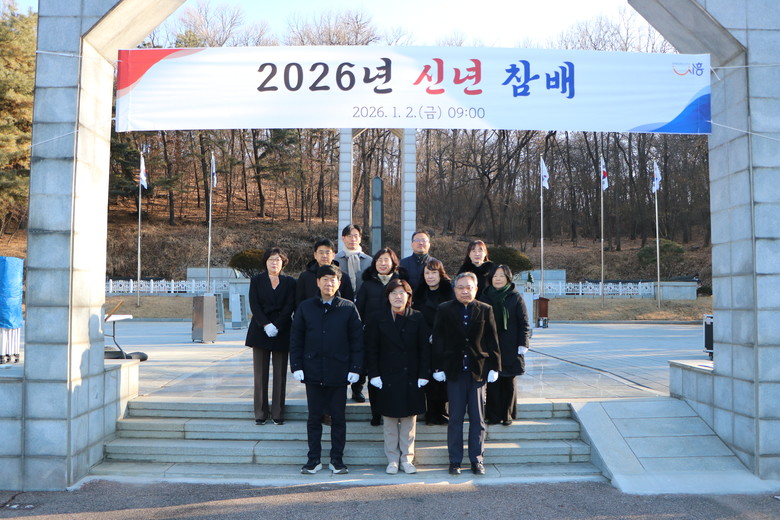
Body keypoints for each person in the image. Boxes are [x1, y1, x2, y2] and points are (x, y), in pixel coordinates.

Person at [289, 264, 363, 475]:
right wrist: (296, 365)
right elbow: (296, 339)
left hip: (339, 370)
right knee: (314, 418)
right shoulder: (305, 307)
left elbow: (357, 341)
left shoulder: (348, 307)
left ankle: (336, 459)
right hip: (312, 369)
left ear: (339, 283)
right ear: (317, 282)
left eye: (333, 280)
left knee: (338, 418)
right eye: (325, 279)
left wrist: (356, 368)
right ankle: (313, 459)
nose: (329, 283)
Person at [432, 271, 501, 476]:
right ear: (455, 289)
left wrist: (495, 367)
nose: (464, 291)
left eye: (468, 287)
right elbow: (438, 340)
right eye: (460, 287)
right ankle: (454, 461)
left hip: (478, 371)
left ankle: (477, 460)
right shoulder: (444, 309)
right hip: (454, 371)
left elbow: (492, 340)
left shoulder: (485, 309)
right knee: (455, 419)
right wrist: (437, 367)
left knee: (478, 419)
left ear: (476, 289)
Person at [365, 279, 430, 475]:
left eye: (402, 293)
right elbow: (371, 349)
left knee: (409, 421)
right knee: (390, 421)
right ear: (388, 296)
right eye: (393, 293)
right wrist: (373, 374)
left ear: (408, 296)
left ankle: (407, 459)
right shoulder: (378, 318)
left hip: (411, 375)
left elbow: (425, 349)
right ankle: (392, 459)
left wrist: (424, 374)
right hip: (387, 376)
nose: (398, 296)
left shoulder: (417, 317)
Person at [244, 247, 297, 426]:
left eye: (277, 260)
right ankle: (260, 412)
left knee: (280, 374)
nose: (274, 263)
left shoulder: (290, 282)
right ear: (265, 262)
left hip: (282, 330)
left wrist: (278, 325)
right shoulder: (256, 280)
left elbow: (290, 305)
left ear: (283, 262)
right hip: (260, 329)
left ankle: (277, 412)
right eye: (271, 259)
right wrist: (266, 324)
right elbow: (254, 304)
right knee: (260, 374)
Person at [356, 247, 405, 425]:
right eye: (379, 260)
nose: (383, 263)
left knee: (395, 376)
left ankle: (393, 411)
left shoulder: (400, 283)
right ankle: (376, 413)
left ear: (393, 263)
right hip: (373, 337)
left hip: (396, 338)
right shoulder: (367, 284)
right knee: (374, 375)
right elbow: (359, 311)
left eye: (386, 260)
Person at [479, 265, 530, 426]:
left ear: (508, 278)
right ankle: (493, 415)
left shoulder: (515, 297)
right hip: (490, 344)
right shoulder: (484, 296)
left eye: (501, 276)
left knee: (508, 380)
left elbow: (524, 322)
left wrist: (523, 343)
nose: (498, 279)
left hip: (510, 344)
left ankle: (507, 414)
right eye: (495, 276)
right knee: (493, 381)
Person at [412, 258, 454, 425]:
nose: (430, 276)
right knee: (428, 376)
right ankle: (430, 413)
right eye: (427, 273)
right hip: (424, 339)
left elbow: (452, 316)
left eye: (434, 273)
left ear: (440, 274)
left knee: (442, 377)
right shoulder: (419, 292)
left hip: (445, 340)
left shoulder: (449, 291)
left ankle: (442, 411)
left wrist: (438, 334)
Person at [296, 238, 354, 307]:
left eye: (327, 253)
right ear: (315, 255)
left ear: (333, 255)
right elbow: (299, 303)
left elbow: (349, 304)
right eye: (321, 252)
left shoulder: (343, 277)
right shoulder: (305, 277)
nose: (324, 256)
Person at [334, 224, 372, 294]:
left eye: (356, 236)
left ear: (360, 238)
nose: (353, 239)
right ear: (343, 238)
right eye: (349, 236)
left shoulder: (369, 261)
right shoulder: (335, 259)